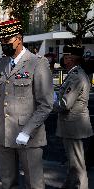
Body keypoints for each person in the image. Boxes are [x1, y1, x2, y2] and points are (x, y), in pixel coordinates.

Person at [0, 19, 53, 189]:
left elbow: (46, 104)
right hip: (5, 134)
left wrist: (27, 131)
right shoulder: (3, 63)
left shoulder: (37, 62)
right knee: (7, 181)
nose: (3, 45)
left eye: (7, 41)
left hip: (29, 136)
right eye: (1, 41)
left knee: (34, 183)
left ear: (18, 38)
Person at [54, 44, 93, 189]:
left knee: (77, 163)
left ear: (70, 59)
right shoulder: (75, 73)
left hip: (73, 125)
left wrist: (52, 102)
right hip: (74, 124)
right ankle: (69, 185)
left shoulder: (76, 76)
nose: (63, 59)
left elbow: (65, 104)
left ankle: (81, 187)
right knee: (74, 161)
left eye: (65, 56)